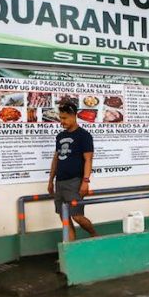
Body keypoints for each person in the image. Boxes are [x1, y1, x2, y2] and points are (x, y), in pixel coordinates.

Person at [48, 101, 97, 242]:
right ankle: (71, 248)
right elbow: (56, 158)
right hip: (60, 182)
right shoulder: (60, 136)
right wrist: (51, 181)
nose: (61, 121)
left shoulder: (84, 136)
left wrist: (85, 182)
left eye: (64, 118)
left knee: (77, 216)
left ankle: (95, 235)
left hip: (75, 182)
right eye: (60, 118)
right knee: (64, 217)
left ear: (74, 116)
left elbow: (88, 160)